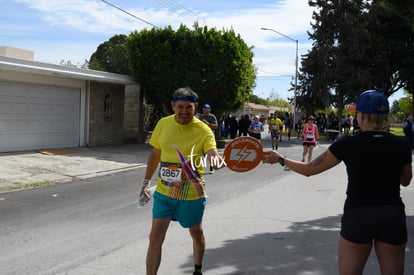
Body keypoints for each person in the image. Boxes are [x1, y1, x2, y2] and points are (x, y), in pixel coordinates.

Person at [263, 90, 412, 275]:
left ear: (362, 116)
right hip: (391, 214)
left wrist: (281, 159)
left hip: (358, 215)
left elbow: (310, 170)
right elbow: (406, 181)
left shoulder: (348, 143)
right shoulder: (402, 144)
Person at [140, 87, 223, 275]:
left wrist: (216, 161)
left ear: (196, 107)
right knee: (155, 238)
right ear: (173, 106)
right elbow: (155, 155)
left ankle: (197, 269)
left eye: (189, 107)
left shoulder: (204, 130)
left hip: (192, 194)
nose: (184, 111)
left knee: (196, 233)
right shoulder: (163, 124)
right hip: (164, 193)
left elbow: (212, 153)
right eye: (180, 107)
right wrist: (144, 184)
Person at [198, 103, 219, 174]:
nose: (204, 110)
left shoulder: (212, 117)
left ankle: (211, 168)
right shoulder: (200, 117)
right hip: (201, 136)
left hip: (210, 136)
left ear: (209, 109)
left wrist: (207, 123)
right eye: (203, 108)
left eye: (206, 109)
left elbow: (216, 126)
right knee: (203, 153)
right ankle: (199, 168)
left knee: (210, 152)